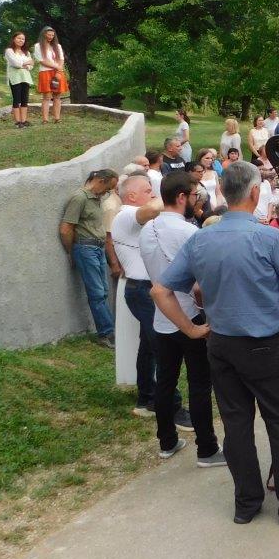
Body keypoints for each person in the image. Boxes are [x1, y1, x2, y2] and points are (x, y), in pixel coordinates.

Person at [152, 160, 279, 529]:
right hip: (266, 345)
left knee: (237, 425)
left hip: (222, 345)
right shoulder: (268, 237)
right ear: (255, 192)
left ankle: (246, 504)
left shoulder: (200, 238)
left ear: (222, 193)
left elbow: (160, 290)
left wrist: (191, 330)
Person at [139, 171, 223, 466]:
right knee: (199, 384)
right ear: (181, 197)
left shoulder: (146, 229)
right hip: (190, 316)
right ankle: (207, 448)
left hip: (162, 318)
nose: (198, 202)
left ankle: (167, 441)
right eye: (195, 196)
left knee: (166, 381)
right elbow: (200, 283)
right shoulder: (189, 232)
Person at [109, 174, 185, 422]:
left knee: (149, 348)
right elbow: (152, 209)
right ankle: (171, 406)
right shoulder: (126, 214)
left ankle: (147, 399)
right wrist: (174, 195)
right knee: (163, 347)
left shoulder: (133, 216)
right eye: (147, 190)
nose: (152, 194)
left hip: (144, 289)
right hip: (142, 290)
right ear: (131, 196)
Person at [60, 169, 120, 346]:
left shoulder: (96, 199)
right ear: (100, 181)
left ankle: (108, 331)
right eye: (107, 188)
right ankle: (106, 333)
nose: (106, 193)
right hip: (85, 248)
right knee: (97, 293)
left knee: (103, 291)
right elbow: (66, 228)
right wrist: (71, 252)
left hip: (98, 247)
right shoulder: (80, 198)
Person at [33, 26, 66, 124]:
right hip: (45, 72)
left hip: (58, 73)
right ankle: (45, 119)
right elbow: (42, 61)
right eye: (49, 34)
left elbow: (61, 59)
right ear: (44, 34)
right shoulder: (38, 46)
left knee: (57, 96)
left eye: (52, 35)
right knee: (47, 96)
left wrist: (59, 71)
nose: (51, 37)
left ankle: (57, 118)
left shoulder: (58, 46)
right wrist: (57, 67)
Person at [4, 32, 34, 128]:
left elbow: (31, 65)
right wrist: (26, 63)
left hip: (25, 77)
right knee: (16, 99)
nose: (21, 40)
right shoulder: (9, 51)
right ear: (14, 39)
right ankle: (17, 122)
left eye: (23, 39)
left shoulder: (27, 52)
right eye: (19, 38)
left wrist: (25, 65)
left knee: (25, 99)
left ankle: (23, 120)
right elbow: (15, 63)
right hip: (15, 77)